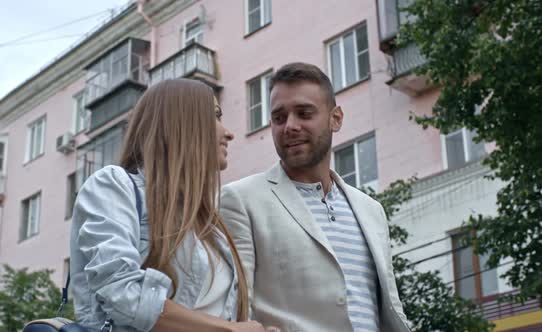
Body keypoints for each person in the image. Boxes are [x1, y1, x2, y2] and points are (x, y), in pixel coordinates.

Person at [70, 79, 276, 331]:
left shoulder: (210, 225)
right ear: (181, 123)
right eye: (215, 115)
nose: (228, 132)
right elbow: (121, 292)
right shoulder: (114, 185)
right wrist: (227, 330)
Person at [220, 63, 411, 332]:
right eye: (278, 118)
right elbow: (236, 310)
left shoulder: (371, 210)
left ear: (336, 118)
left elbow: (388, 308)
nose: (290, 126)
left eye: (304, 113)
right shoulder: (240, 200)